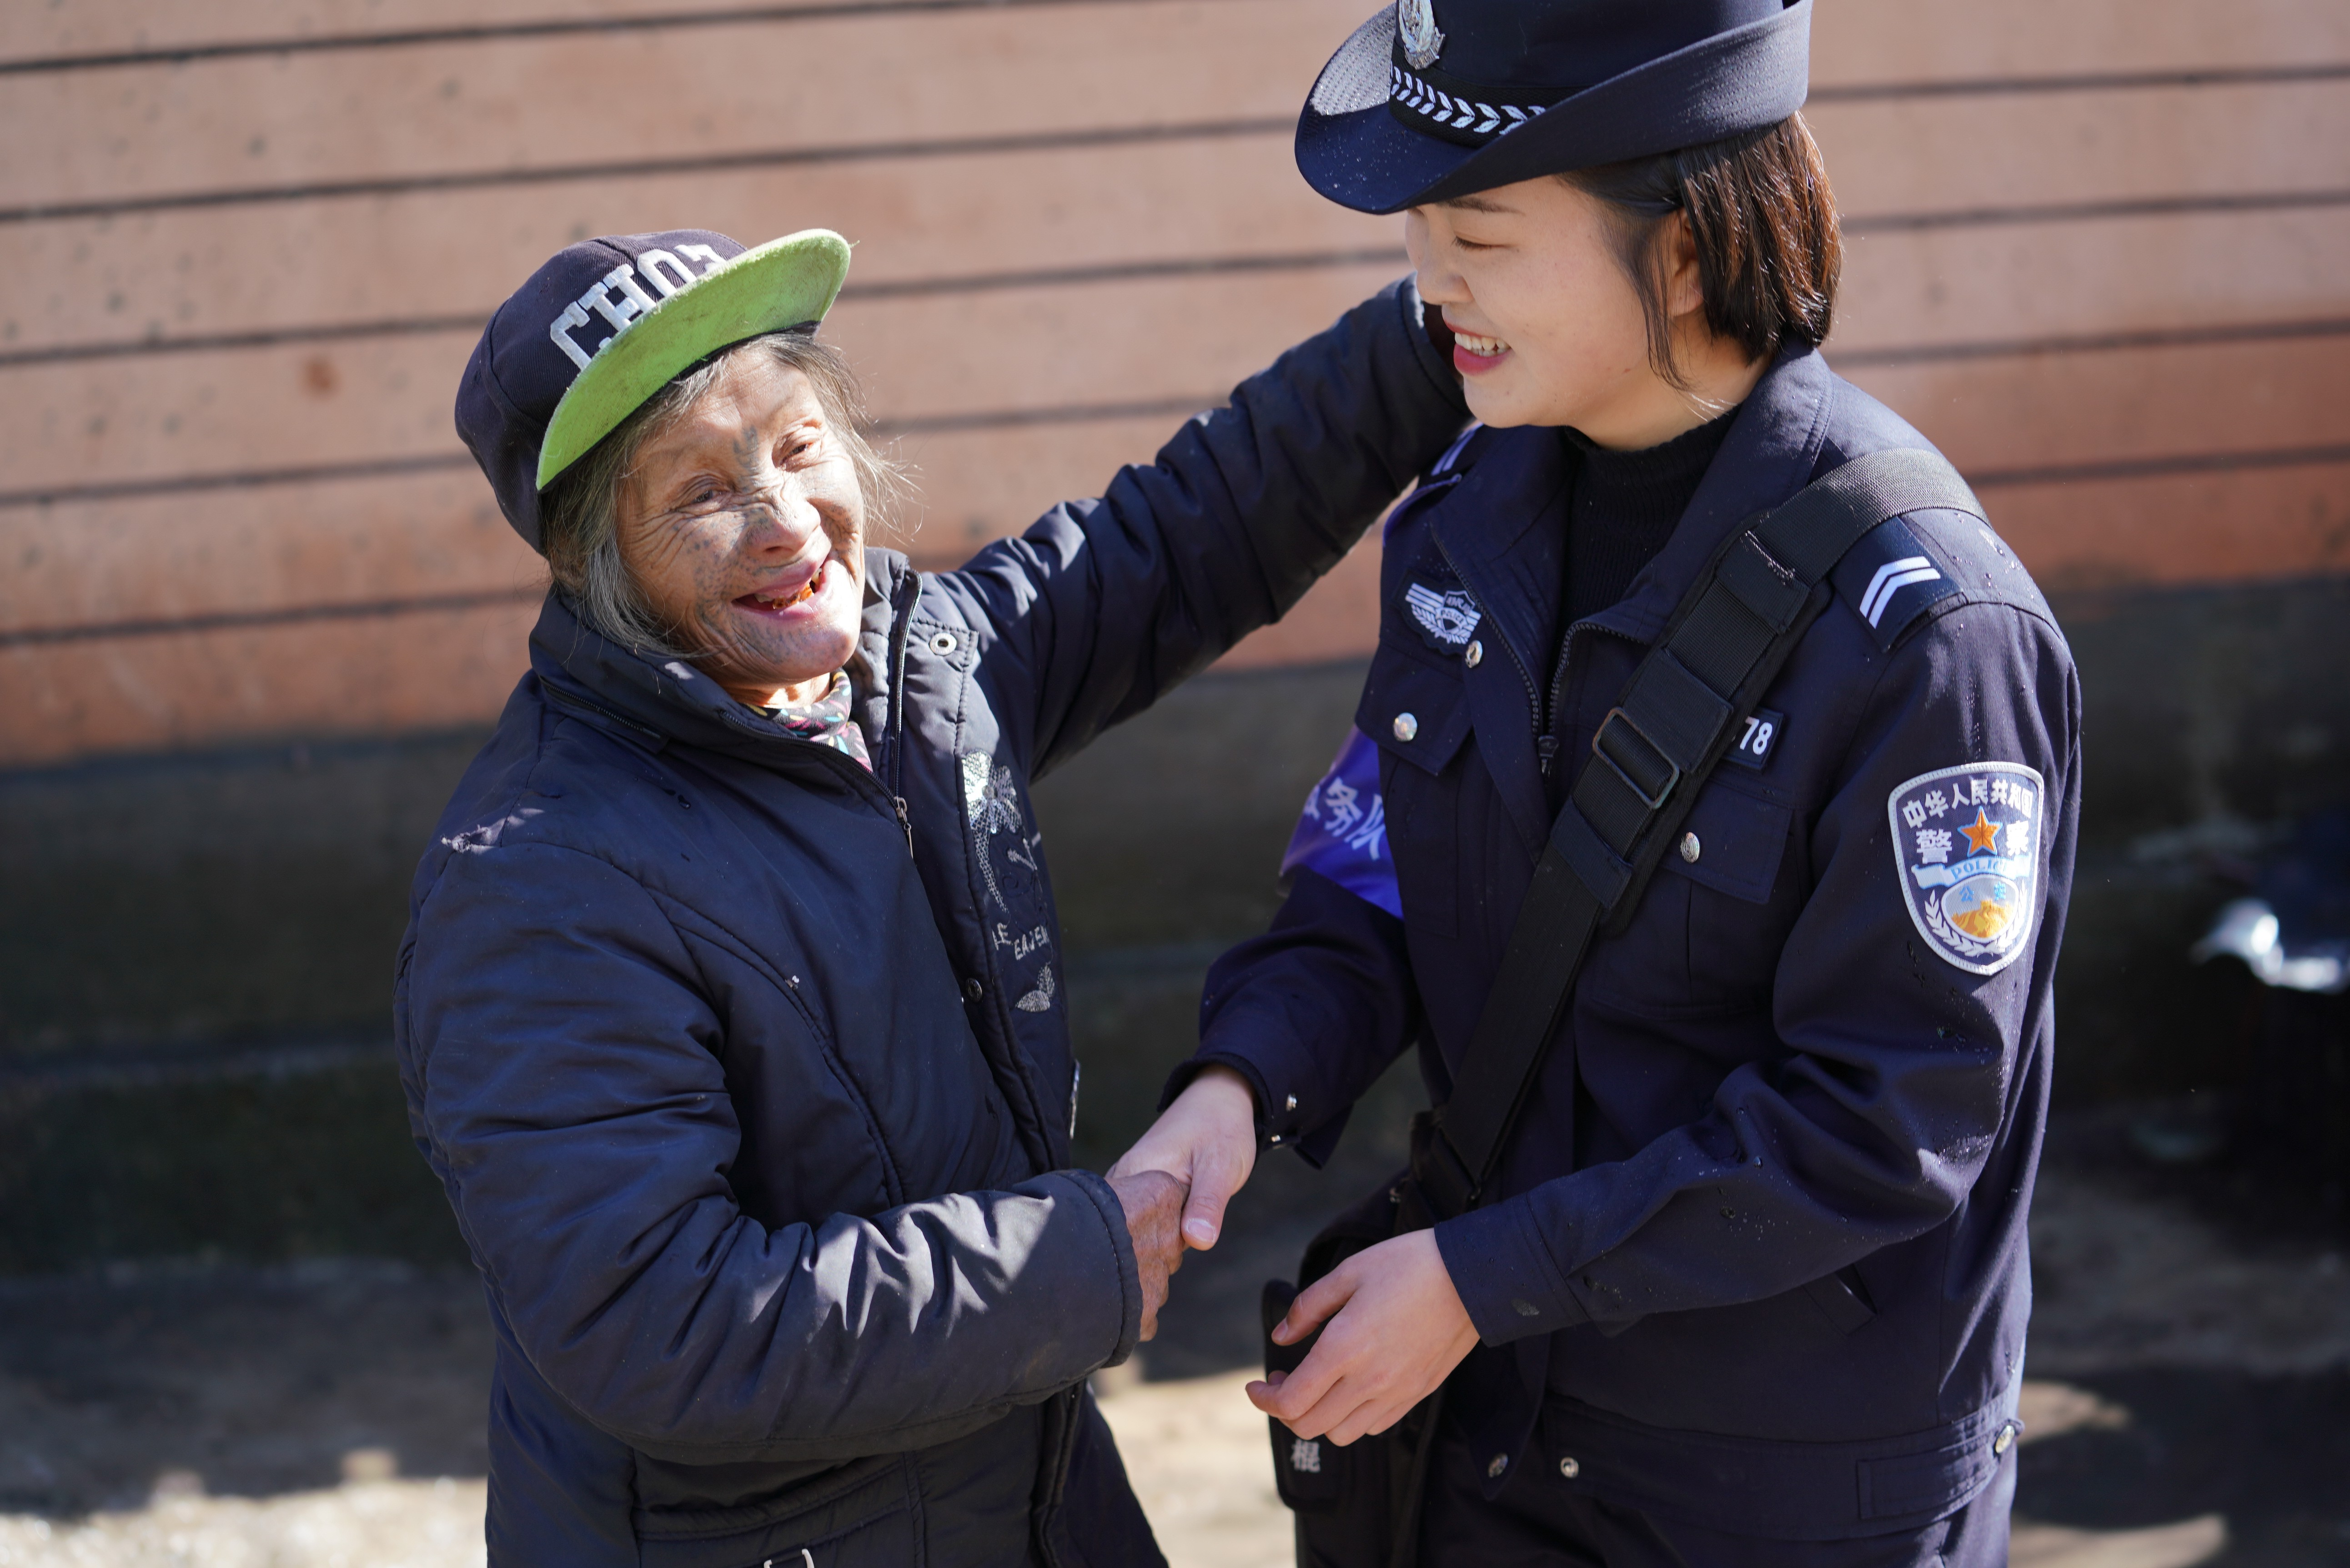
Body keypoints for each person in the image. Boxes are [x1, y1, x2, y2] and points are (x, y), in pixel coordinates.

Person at [1115, 1, 2079, 1563]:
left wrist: (1478, 1280)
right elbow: (1377, 871)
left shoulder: (1926, 635)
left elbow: (1889, 1118)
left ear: (1687, 248)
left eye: (1482, 235)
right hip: (1497, 1440)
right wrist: (1235, 1090)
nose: (1433, 287)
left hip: (1782, 1491)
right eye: (1423, 231)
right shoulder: (1469, 515)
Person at [399, 225, 1467, 1565]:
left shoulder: (915, 678)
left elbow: (1197, 529)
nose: (784, 520)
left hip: (1027, 1505)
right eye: (698, 492)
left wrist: (1453, 314)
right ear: (592, 567)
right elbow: (665, 1329)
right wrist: (1070, 1265)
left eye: (797, 446)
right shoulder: (538, 886)